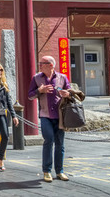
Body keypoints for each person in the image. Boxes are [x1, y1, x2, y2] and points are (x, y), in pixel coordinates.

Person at [28, 55, 71, 183]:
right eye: (40, 63)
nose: (40, 65)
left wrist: (67, 93)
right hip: (45, 115)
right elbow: (30, 96)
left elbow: (69, 91)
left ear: (51, 65)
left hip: (60, 116)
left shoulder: (62, 77)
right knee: (49, 140)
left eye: (42, 63)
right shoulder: (36, 78)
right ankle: (47, 171)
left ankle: (59, 171)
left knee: (60, 144)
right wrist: (39, 90)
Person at [0, 62, 19, 172]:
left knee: (5, 136)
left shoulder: (4, 85)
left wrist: (14, 115)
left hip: (2, 114)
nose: (0, 72)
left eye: (1, 70)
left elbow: (9, 102)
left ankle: (0, 157)